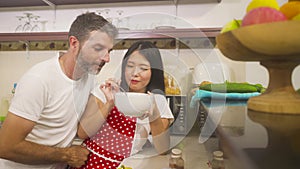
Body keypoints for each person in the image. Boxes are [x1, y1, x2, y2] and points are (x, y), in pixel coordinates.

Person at [0, 12, 118, 169]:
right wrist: (66, 155)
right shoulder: (39, 79)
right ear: (74, 44)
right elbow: (6, 147)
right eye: (98, 48)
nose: (107, 58)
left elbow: (83, 131)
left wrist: (110, 103)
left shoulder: (88, 76)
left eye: (109, 51)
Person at [74, 41, 174, 169]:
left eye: (143, 68)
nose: (135, 73)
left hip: (124, 165)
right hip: (89, 162)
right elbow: (82, 133)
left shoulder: (158, 100)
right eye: (130, 65)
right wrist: (110, 103)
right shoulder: (106, 90)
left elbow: (163, 149)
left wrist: (154, 115)